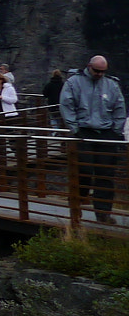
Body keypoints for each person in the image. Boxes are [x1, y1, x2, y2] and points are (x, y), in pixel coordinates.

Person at [60, 56, 127, 224]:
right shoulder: (74, 82)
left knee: (105, 174)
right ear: (89, 67)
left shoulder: (111, 84)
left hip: (106, 134)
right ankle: (77, 205)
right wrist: (74, 129)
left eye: (102, 72)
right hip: (83, 132)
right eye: (96, 71)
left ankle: (103, 214)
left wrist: (115, 131)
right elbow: (66, 105)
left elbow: (119, 108)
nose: (99, 74)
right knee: (83, 170)